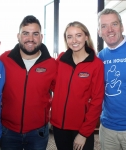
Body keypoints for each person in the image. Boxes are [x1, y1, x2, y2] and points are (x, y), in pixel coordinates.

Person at [0, 15, 57, 150]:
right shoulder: (4, 60)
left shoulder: (52, 65)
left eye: (35, 34)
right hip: (8, 131)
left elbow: (61, 94)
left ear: (41, 37)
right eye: (26, 33)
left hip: (38, 132)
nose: (30, 39)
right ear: (18, 36)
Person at [50, 21, 104, 150]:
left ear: (86, 37)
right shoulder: (62, 59)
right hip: (59, 126)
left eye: (78, 35)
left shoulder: (96, 64)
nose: (74, 40)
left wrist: (84, 133)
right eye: (69, 36)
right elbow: (53, 84)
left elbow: (97, 101)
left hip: (81, 127)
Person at [98, 8, 126, 150]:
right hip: (108, 128)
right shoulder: (100, 57)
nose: (109, 30)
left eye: (114, 24)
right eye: (104, 26)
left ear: (121, 26)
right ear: (99, 32)